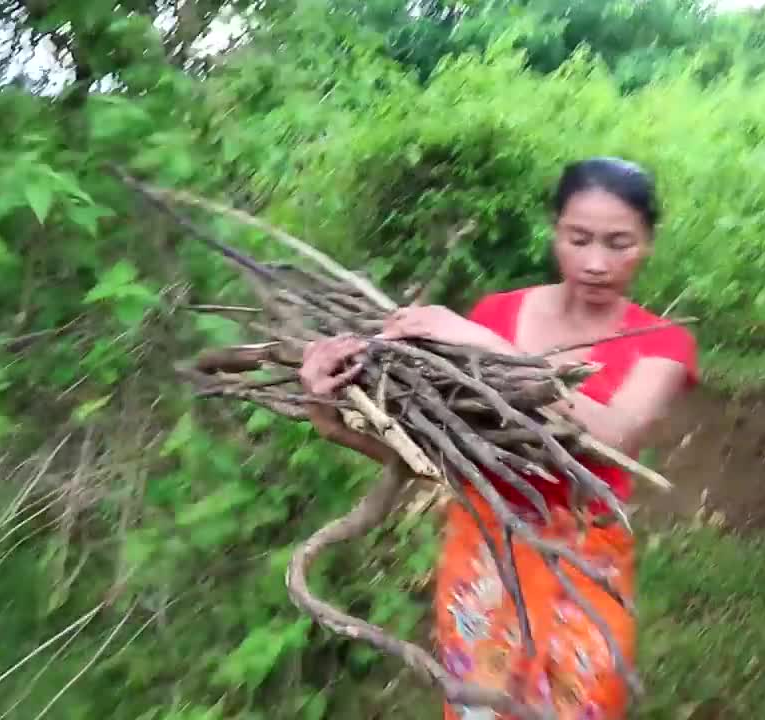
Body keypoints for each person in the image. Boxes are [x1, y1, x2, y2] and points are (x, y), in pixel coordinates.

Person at [298, 157, 699, 719]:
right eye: (578, 238)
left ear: (648, 244)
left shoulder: (662, 344)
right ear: (555, 230)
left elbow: (613, 431)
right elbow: (429, 459)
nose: (596, 263)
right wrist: (326, 407)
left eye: (620, 243)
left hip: (585, 571)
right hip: (484, 564)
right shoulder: (497, 314)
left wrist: (484, 344)